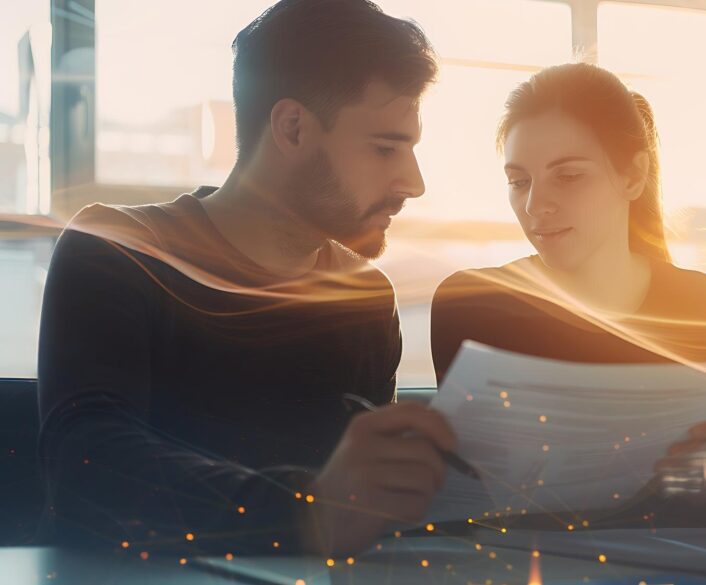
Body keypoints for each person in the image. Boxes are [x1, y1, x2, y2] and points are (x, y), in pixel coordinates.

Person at [38, 0, 455, 555]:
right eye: (384, 148)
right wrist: (307, 513)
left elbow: (359, 498)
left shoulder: (364, 295)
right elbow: (86, 461)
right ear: (292, 127)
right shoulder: (119, 250)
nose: (413, 182)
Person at [430, 63, 706, 526]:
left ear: (632, 176)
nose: (535, 206)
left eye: (567, 176)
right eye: (519, 181)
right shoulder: (473, 304)